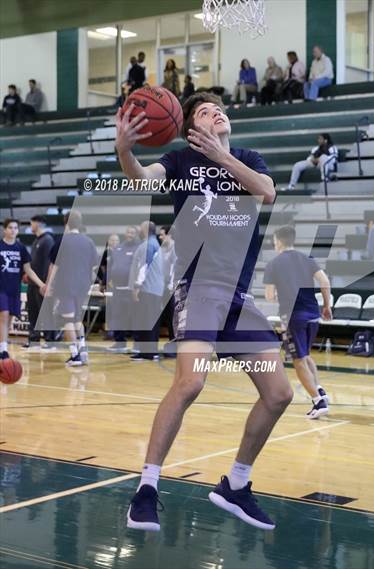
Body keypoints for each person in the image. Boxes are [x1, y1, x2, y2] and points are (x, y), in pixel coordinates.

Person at [116, 91, 293, 532]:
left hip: (239, 299)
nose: (216, 112)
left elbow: (266, 192)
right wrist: (124, 150)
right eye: (204, 112)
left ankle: (235, 484)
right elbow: (141, 179)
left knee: (280, 394)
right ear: (192, 130)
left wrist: (223, 156)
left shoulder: (248, 158)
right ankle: (147, 488)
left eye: (219, 109)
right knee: (192, 380)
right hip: (198, 291)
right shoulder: (179, 164)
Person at [264, 226, 332, 419]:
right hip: (313, 314)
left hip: (293, 317)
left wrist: (279, 292)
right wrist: (327, 306)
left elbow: (269, 296)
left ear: (278, 241)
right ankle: (319, 389)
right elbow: (325, 282)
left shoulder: (274, 264)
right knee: (306, 355)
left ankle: (318, 402)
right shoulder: (307, 259)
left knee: (298, 360)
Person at [45, 211, 98, 367]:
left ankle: (75, 355)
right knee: (77, 319)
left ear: (65, 222)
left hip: (65, 285)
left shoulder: (61, 241)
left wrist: (48, 285)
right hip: (82, 286)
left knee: (68, 320)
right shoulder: (89, 241)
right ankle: (83, 352)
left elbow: (54, 266)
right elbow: (94, 267)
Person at [0, 219, 46, 359]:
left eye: (15, 228)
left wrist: (41, 284)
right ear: (4, 230)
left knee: (9, 320)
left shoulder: (20, 248)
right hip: (1, 288)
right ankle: (3, 350)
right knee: (4, 315)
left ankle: (2, 344)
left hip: (14, 289)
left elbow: (28, 270)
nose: (13, 230)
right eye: (10, 227)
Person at [128, 221, 163, 361]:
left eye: (141, 228)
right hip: (154, 289)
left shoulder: (148, 245)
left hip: (147, 289)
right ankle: (149, 351)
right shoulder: (154, 244)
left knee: (146, 321)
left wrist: (137, 286)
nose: (138, 230)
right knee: (150, 321)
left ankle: (147, 353)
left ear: (146, 230)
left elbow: (144, 266)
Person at [23, 215, 55, 349]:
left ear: (39, 223)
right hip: (33, 283)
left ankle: (50, 340)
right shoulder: (36, 240)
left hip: (42, 284)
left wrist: (46, 283)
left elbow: (51, 263)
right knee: (33, 312)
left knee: (46, 312)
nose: (31, 225)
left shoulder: (47, 240)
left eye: (32, 223)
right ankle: (34, 339)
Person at [106, 227, 139, 353]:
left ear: (136, 235)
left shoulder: (138, 247)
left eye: (132, 233)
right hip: (117, 289)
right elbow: (111, 266)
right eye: (128, 232)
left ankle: (137, 344)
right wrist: (106, 282)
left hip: (130, 289)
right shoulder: (118, 248)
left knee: (133, 317)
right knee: (117, 316)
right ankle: (120, 343)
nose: (129, 234)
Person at [159, 225, 176, 342]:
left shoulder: (175, 248)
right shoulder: (163, 248)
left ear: (169, 235)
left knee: (173, 317)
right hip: (163, 287)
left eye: (162, 234)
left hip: (172, 288)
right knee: (167, 316)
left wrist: (171, 285)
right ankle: (172, 341)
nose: (160, 237)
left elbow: (174, 269)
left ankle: (175, 342)